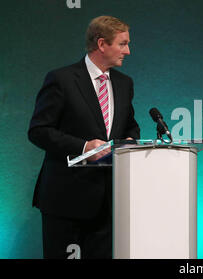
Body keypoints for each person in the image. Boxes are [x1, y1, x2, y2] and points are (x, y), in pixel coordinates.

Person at [28, 15, 140, 259]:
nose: (128, 51)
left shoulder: (124, 83)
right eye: (122, 44)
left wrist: (130, 142)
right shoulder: (62, 79)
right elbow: (39, 130)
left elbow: (130, 126)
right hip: (66, 200)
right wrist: (84, 146)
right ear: (102, 44)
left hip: (108, 202)